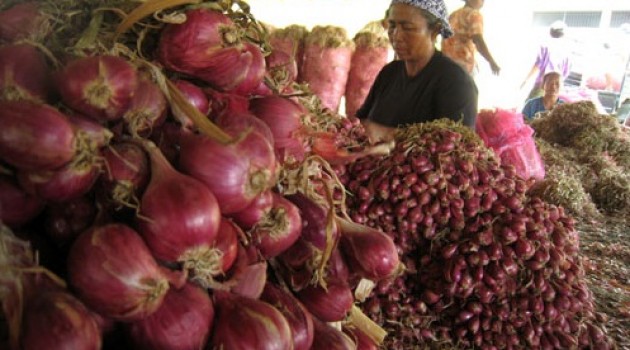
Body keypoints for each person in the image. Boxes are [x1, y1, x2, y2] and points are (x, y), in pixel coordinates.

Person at [356, 0, 478, 143]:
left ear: (435, 30)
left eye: (407, 28)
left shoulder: (456, 82)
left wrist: (384, 133)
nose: (396, 36)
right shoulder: (389, 72)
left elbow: (455, 147)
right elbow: (362, 121)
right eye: (392, 25)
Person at [441, 0, 500, 76]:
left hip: (446, 64)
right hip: (463, 66)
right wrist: (491, 62)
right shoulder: (474, 15)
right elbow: (478, 40)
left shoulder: (454, 14)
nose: (483, 2)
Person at [520, 20, 572, 100]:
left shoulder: (545, 46)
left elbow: (537, 65)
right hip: (556, 89)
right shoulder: (567, 50)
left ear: (550, 32)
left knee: (530, 109)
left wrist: (526, 79)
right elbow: (565, 73)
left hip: (543, 86)